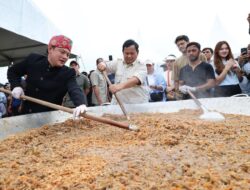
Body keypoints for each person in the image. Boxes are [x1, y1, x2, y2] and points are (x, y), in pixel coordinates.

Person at [7, 35, 87, 118]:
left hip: (50, 119)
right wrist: (16, 86)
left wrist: (81, 104)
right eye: (62, 52)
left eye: (68, 54)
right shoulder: (33, 60)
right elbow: (13, 71)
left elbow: (74, 88)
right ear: (50, 49)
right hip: (27, 115)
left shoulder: (68, 72)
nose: (65, 57)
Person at [98, 39, 148, 104]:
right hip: (117, 104)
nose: (129, 56)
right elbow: (106, 65)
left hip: (136, 105)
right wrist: (102, 64)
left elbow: (136, 79)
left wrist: (118, 87)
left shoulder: (141, 65)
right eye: (126, 53)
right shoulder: (118, 63)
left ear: (137, 53)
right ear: (123, 52)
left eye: (132, 53)